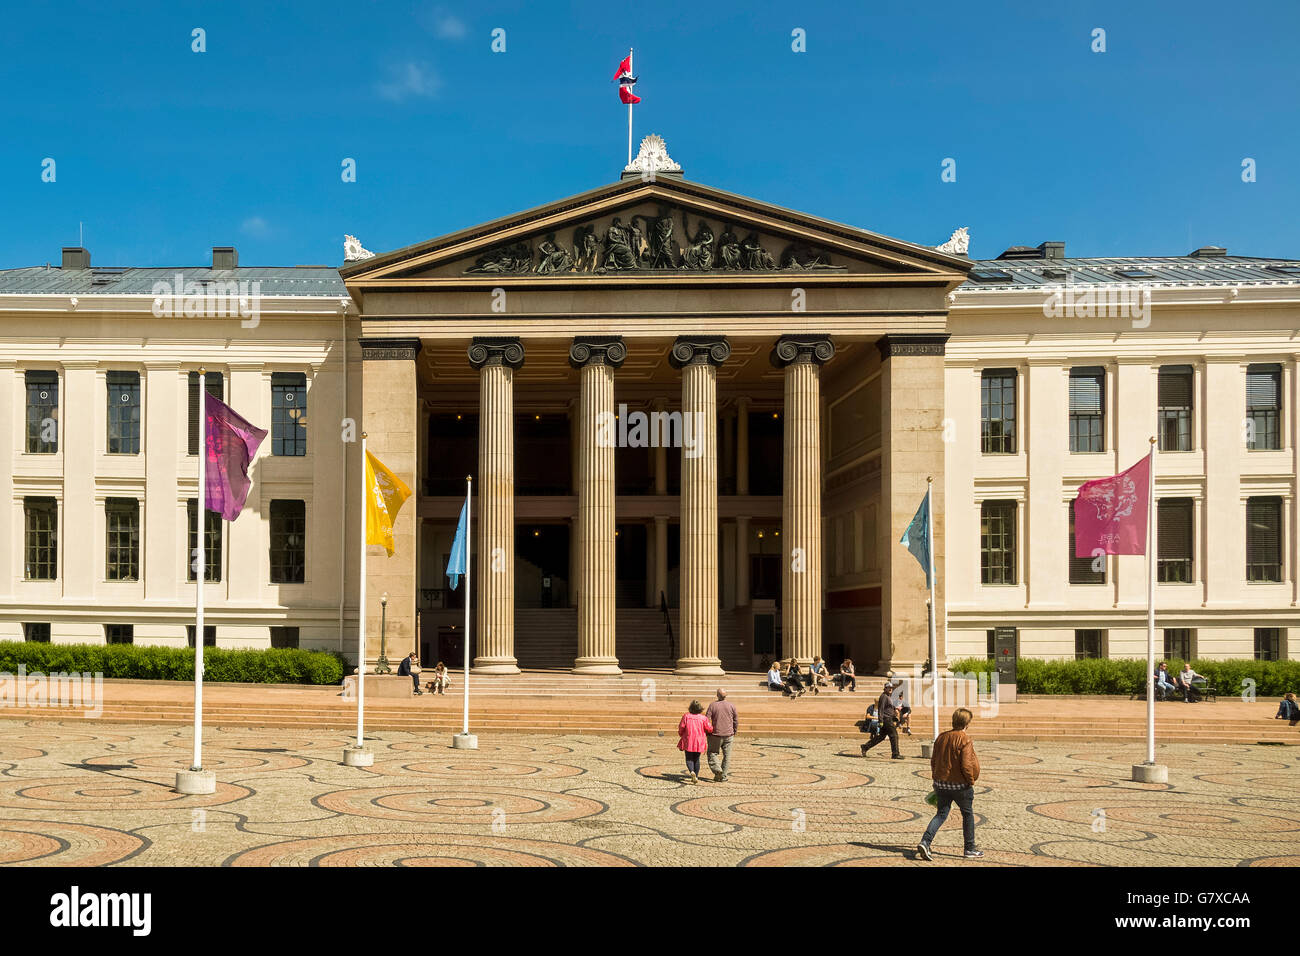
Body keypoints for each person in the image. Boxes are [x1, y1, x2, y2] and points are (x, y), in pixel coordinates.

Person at [917, 707, 983, 860]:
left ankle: (925, 841)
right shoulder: (965, 739)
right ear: (967, 723)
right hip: (960, 786)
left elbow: (934, 761)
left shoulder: (941, 737)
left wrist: (936, 779)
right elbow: (966, 765)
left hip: (941, 784)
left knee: (941, 814)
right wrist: (970, 781)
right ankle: (969, 848)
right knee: (967, 815)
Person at [861, 681, 904, 759]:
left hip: (888, 718)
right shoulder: (884, 696)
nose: (890, 689)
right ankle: (895, 754)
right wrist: (880, 721)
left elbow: (889, 708)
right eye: (888, 688)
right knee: (894, 735)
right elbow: (881, 709)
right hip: (886, 719)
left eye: (891, 688)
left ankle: (865, 747)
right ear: (885, 688)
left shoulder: (888, 696)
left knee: (881, 737)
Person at [705, 689, 739, 782]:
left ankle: (717, 770)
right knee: (727, 756)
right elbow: (735, 720)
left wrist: (707, 731)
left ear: (717, 695)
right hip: (729, 734)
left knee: (712, 753)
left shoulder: (713, 705)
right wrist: (735, 730)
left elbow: (706, 719)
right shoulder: (731, 705)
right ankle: (723, 776)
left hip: (715, 734)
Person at [677, 700, 714, 785]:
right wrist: (711, 731)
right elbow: (709, 728)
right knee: (697, 759)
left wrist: (681, 734)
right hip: (699, 740)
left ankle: (691, 771)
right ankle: (696, 776)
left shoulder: (686, 716)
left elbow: (681, 727)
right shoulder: (703, 718)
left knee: (689, 758)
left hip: (688, 739)